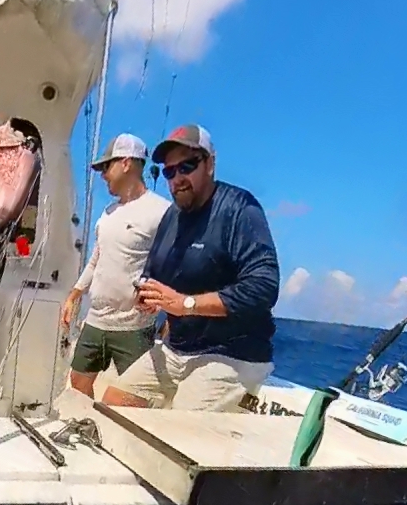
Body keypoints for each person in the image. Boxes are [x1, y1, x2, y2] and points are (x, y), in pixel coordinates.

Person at [102, 124, 280, 412]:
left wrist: (185, 304)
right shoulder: (171, 217)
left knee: (176, 426)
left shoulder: (239, 208)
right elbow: (152, 273)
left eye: (187, 166)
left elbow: (263, 288)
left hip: (231, 355)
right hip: (176, 350)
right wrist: (146, 294)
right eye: (170, 172)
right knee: (113, 403)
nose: (177, 179)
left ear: (210, 164)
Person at [59, 134, 170, 397]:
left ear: (127, 163)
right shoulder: (108, 213)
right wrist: (75, 294)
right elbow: (97, 258)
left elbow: (175, 265)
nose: (103, 175)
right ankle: (85, 430)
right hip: (96, 320)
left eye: (106, 167)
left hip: (134, 325)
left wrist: (168, 310)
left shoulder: (161, 211)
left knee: (131, 396)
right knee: (78, 382)